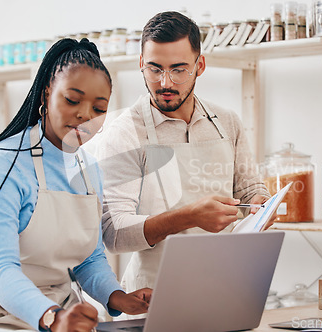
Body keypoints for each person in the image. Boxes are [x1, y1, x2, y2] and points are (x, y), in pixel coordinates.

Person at [0, 38, 151, 332]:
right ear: (46, 94)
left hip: (56, 310)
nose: (85, 116)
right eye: (72, 100)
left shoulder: (89, 171)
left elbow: (89, 258)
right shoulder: (2, 165)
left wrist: (118, 298)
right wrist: (52, 317)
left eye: (99, 108)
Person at [87, 11, 272, 295]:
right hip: (154, 295)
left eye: (179, 69)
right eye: (154, 69)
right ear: (140, 64)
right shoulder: (123, 132)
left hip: (226, 287)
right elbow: (114, 233)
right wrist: (189, 216)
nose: (165, 83)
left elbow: (250, 191)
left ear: (200, 66)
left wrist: (260, 206)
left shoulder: (227, 122)